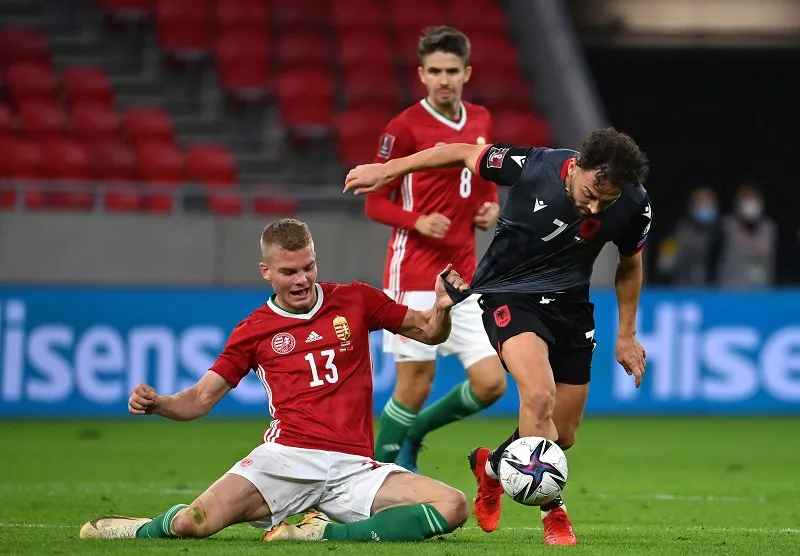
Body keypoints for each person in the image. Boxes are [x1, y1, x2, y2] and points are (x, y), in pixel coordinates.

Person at [344, 128, 652, 545]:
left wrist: (627, 334)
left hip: (571, 307)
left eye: (606, 202)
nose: (593, 207)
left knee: (562, 435)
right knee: (538, 396)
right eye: (591, 193)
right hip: (510, 295)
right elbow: (459, 152)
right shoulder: (532, 165)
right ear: (578, 166)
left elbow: (630, 264)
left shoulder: (634, 203)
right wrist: (388, 171)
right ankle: (554, 513)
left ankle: (490, 468)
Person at [79, 218, 471, 543]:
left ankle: (321, 533)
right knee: (192, 524)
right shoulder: (253, 331)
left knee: (453, 505)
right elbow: (199, 399)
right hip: (287, 459)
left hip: (354, 467)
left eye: (308, 267)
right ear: (266, 271)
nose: (302, 280)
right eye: (289, 272)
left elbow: (427, 330)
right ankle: (138, 529)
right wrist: (159, 404)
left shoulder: (356, 299)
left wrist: (441, 308)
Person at [366, 25, 506, 472]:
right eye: (435, 71)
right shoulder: (404, 127)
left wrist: (490, 205)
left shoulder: (480, 119)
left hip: (463, 275)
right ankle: (374, 479)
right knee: (414, 386)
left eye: (451, 71)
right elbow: (374, 202)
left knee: (491, 383)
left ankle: (415, 432)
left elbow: (484, 177)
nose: (444, 79)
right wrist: (417, 220)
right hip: (412, 273)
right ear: (422, 75)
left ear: (467, 73)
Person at [656, 186, 722, 285]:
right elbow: (664, 265)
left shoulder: (723, 232)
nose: (706, 206)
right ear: (691, 206)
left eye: (709, 202)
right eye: (701, 202)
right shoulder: (678, 234)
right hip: (683, 288)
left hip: (716, 290)